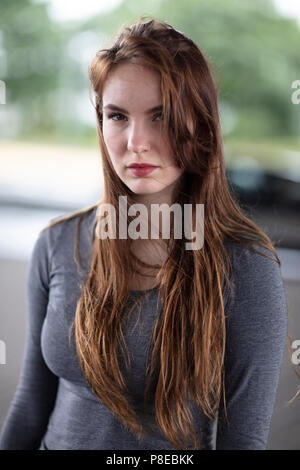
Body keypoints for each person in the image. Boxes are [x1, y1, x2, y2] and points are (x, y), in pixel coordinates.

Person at [0, 16, 288, 450]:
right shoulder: (56, 244)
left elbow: (243, 442)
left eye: (160, 117)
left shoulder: (246, 266)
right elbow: (30, 408)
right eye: (117, 116)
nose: (136, 141)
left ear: (201, 125)